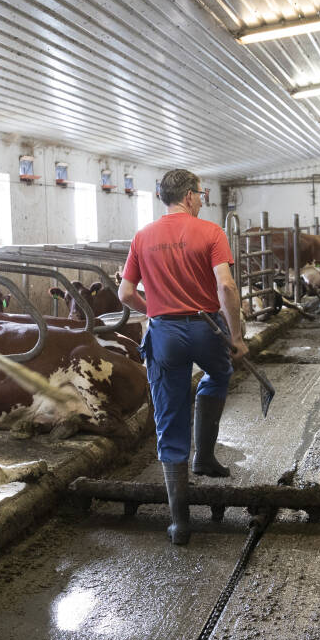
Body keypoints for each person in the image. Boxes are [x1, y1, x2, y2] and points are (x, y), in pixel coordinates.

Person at [118, 168, 248, 545]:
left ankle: (179, 523)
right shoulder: (210, 232)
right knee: (219, 374)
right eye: (201, 194)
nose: (202, 200)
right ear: (190, 196)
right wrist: (236, 337)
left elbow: (125, 294)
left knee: (169, 415)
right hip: (206, 328)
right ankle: (204, 457)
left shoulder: (143, 237)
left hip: (165, 334)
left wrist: (154, 308)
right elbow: (225, 285)